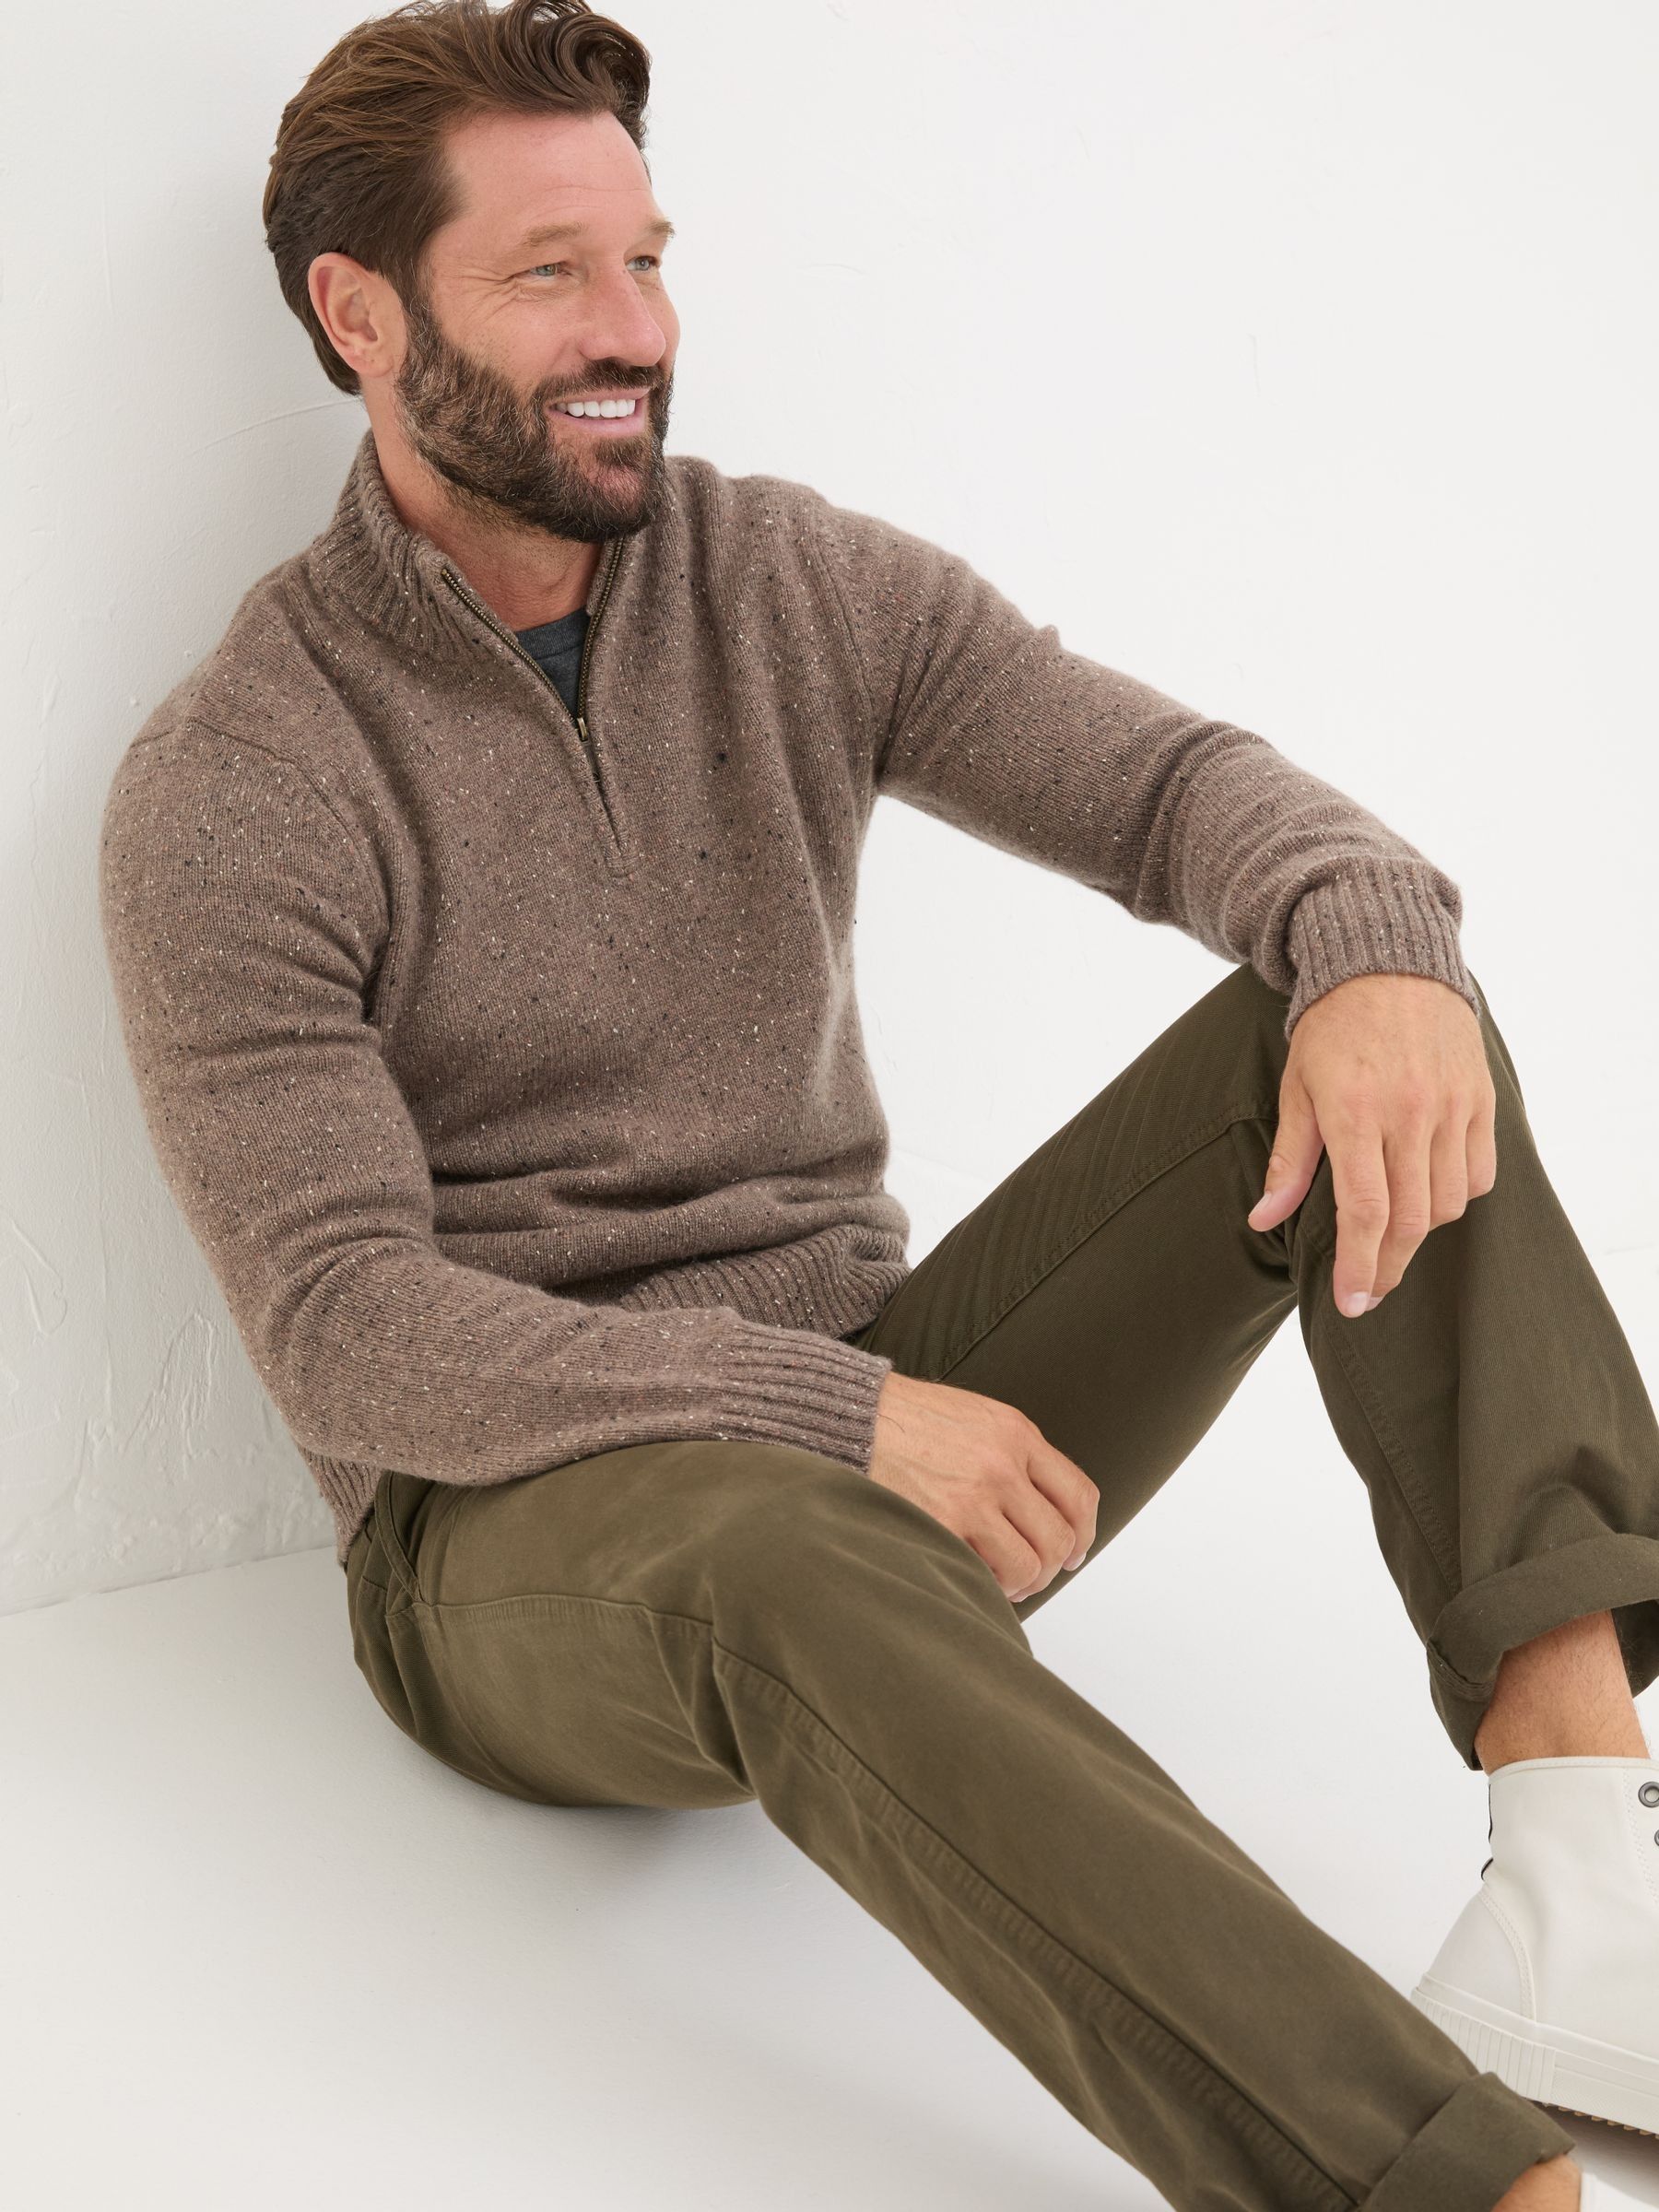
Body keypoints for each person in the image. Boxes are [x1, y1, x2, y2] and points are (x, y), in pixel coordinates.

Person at [96, 5, 1659, 2206]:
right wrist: (823, 1422)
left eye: (647, 259)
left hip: (893, 1402)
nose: (634, 328)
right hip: (513, 1531)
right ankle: (1433, 2180)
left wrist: (1378, 938)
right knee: (775, 1547)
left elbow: (1171, 789)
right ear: (361, 317)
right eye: (549, 272)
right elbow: (347, 1330)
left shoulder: (783, 583)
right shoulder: (242, 779)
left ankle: (1582, 1864)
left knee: (1360, 1012)